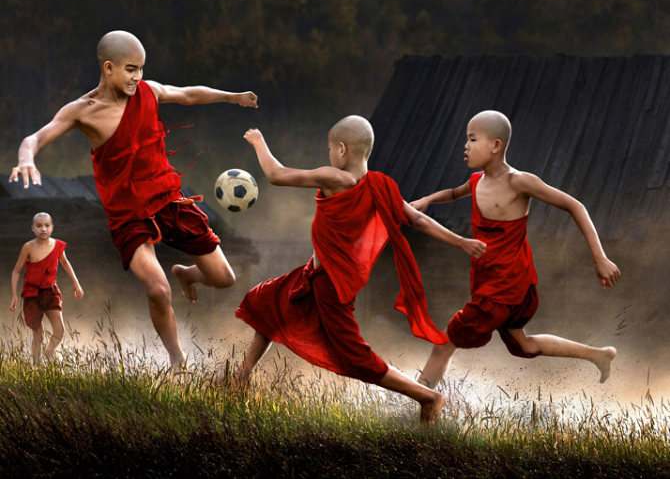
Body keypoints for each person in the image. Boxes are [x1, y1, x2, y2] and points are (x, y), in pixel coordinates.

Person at [9, 30, 258, 368]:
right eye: (130, 69)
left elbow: (186, 94)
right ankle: (177, 361)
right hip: (129, 217)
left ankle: (187, 273)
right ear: (108, 67)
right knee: (158, 290)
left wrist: (232, 97)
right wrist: (26, 159)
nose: (137, 77)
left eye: (141, 69)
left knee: (224, 278)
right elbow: (34, 138)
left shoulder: (148, 92)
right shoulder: (82, 111)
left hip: (169, 200)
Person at [234, 116, 487, 426]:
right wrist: (460, 241)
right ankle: (239, 379)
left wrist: (258, 141)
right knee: (268, 303)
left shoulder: (336, 178)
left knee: (356, 357)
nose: (329, 155)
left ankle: (428, 396)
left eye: (329, 149)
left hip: (331, 284)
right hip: (313, 276)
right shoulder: (382, 185)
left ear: (342, 149)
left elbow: (276, 174)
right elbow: (418, 220)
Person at [410, 110, 621, 389]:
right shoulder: (475, 182)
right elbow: (452, 193)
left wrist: (600, 256)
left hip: (504, 287)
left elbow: (575, 206)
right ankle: (599, 355)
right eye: (466, 139)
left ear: (496, 146)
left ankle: (421, 407)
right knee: (525, 345)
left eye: (473, 139)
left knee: (444, 342)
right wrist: (426, 199)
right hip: (496, 284)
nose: (466, 145)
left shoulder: (518, 182)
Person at [10, 212, 84, 365]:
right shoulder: (28, 247)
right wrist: (14, 295)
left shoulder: (57, 245)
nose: (43, 229)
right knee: (39, 334)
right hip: (32, 294)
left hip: (50, 291)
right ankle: (36, 366)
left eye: (46, 225)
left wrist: (76, 283)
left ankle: (49, 351)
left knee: (59, 330)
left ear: (52, 227)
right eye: (39, 226)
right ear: (33, 228)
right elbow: (16, 271)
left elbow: (65, 263)